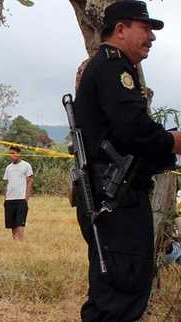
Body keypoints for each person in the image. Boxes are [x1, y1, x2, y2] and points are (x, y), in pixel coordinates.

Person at [73, 1, 181, 320]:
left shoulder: (112, 66)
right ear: (121, 29)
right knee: (118, 296)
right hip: (115, 198)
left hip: (115, 196)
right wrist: (173, 142)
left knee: (119, 290)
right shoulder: (113, 66)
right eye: (145, 28)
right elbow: (133, 130)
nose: (152, 37)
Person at [3, 146, 33, 241]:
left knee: (19, 222)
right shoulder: (8, 167)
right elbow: (7, 183)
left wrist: (26, 198)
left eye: (13, 153)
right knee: (12, 223)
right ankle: (15, 241)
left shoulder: (26, 165)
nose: (11, 155)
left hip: (21, 198)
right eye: (10, 154)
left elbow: (30, 182)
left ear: (19, 154)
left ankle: (20, 241)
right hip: (9, 199)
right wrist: (5, 198)